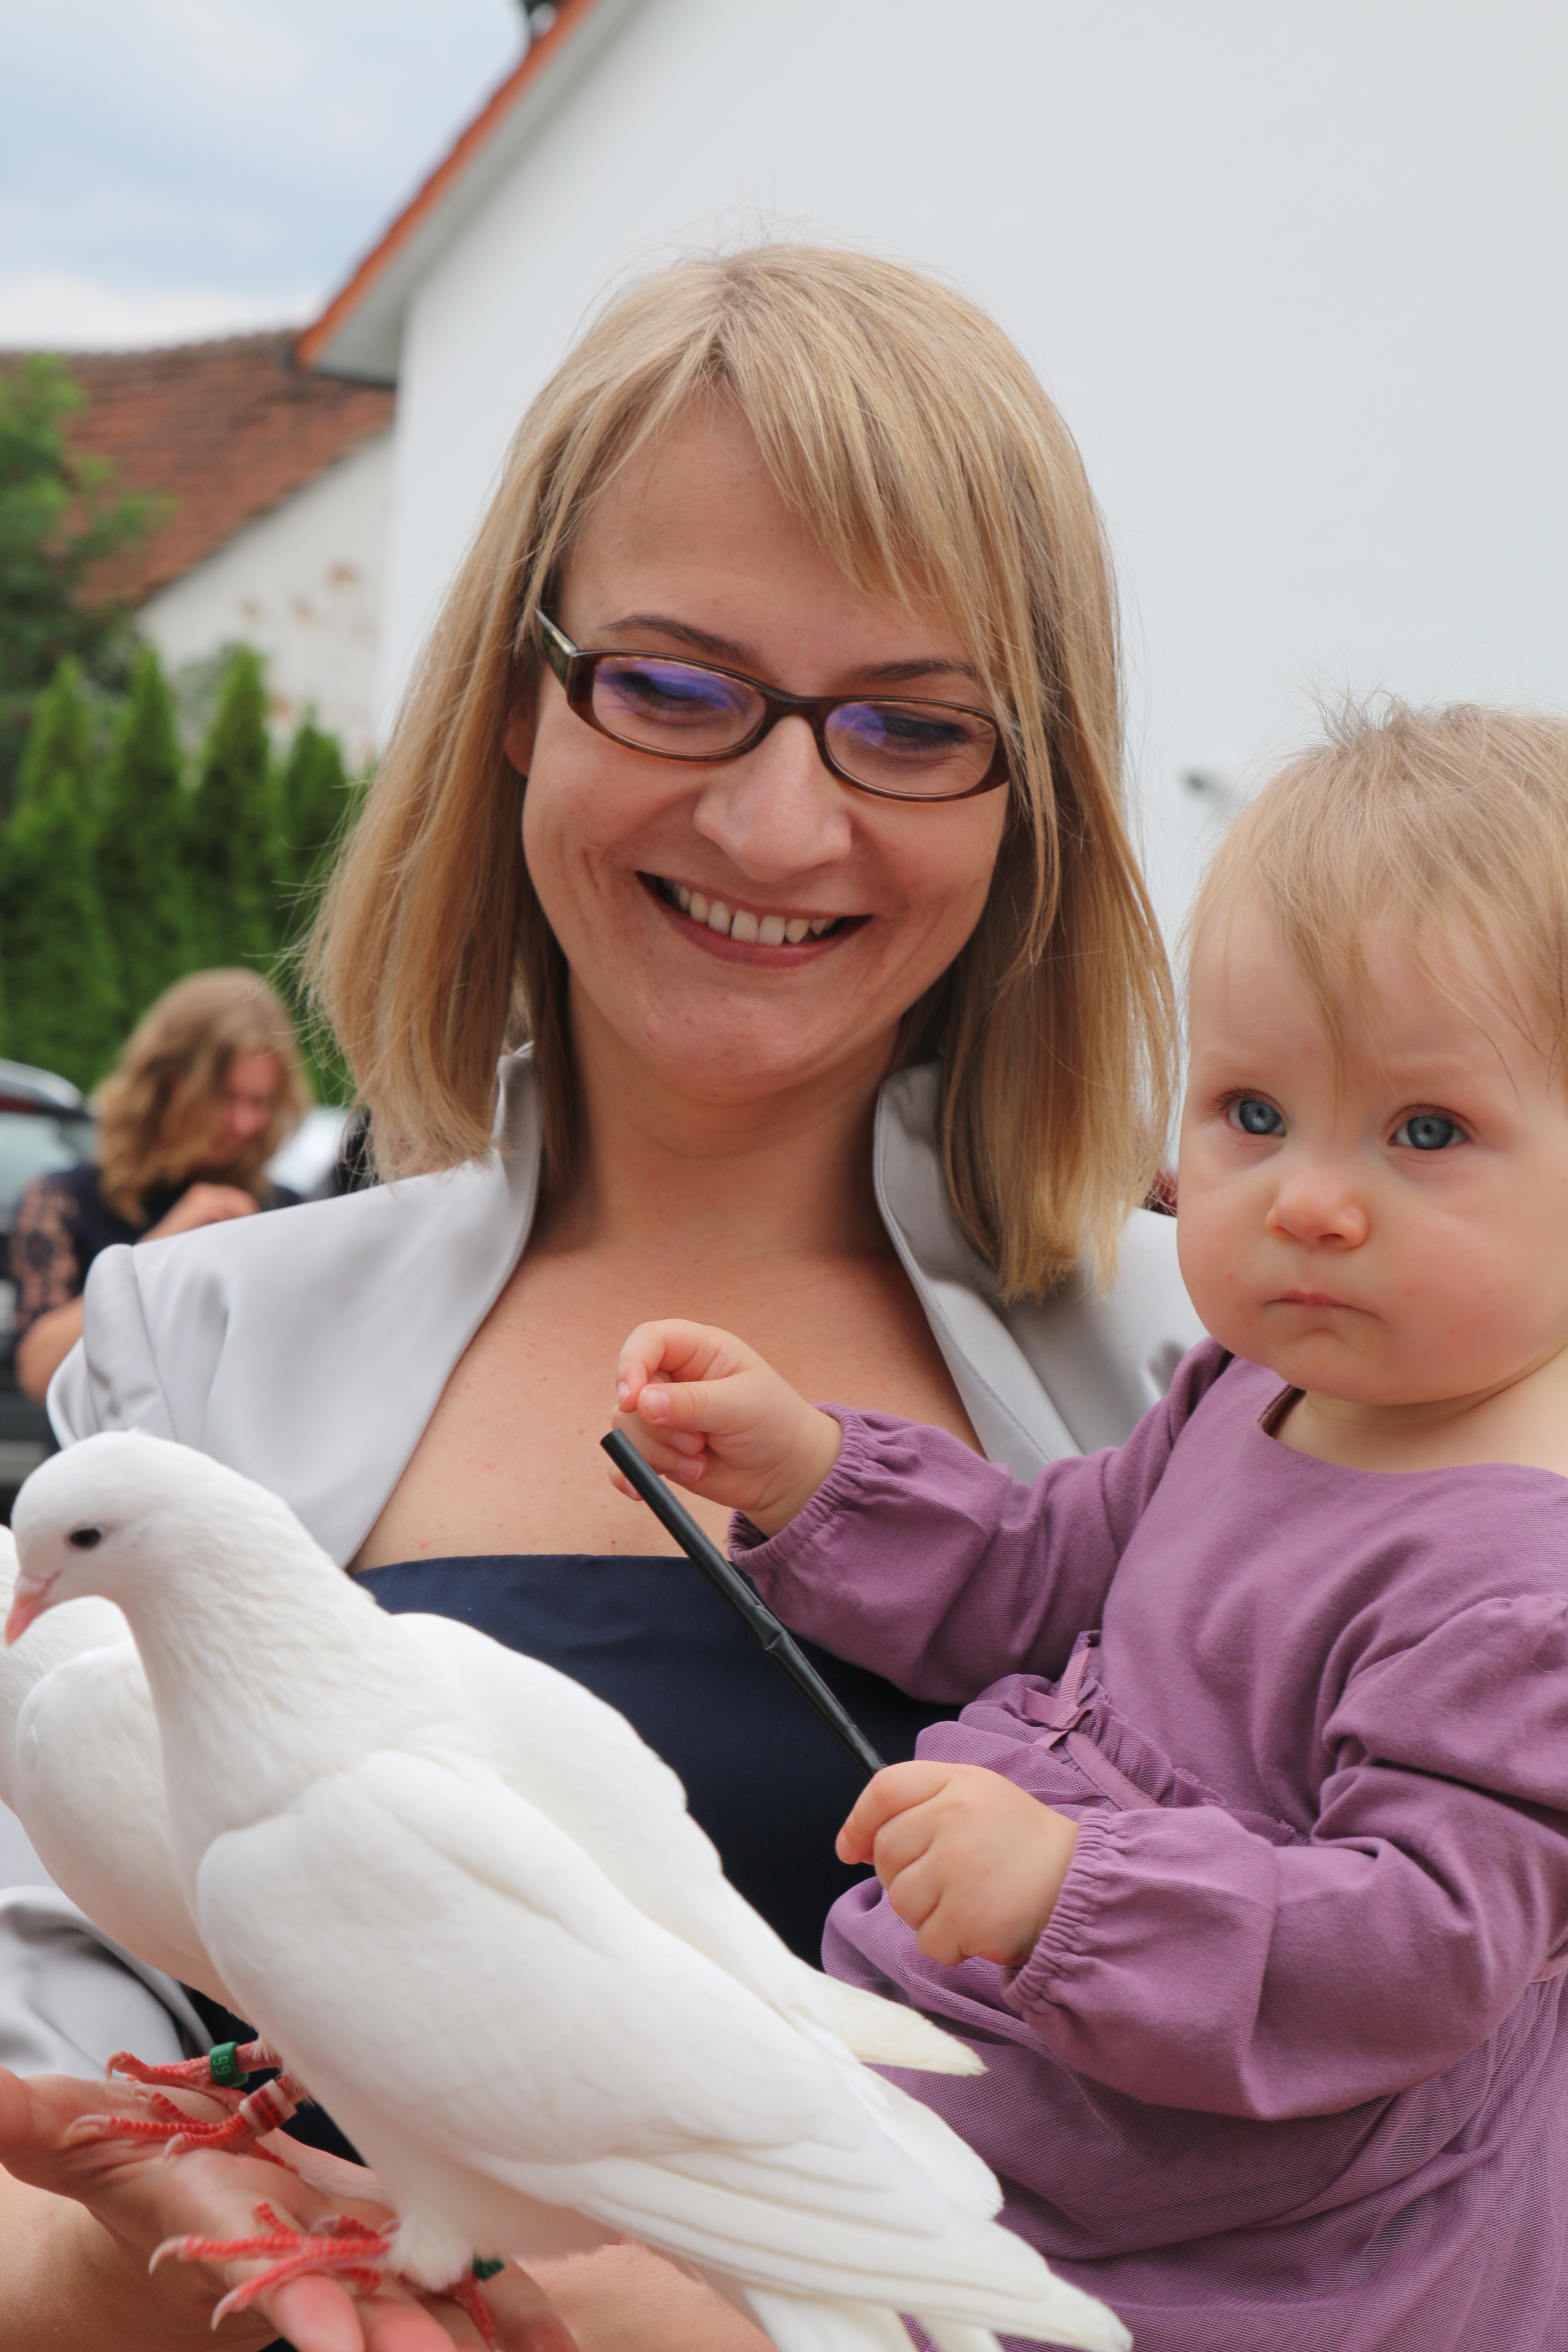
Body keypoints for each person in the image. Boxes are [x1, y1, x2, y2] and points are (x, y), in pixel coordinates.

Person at [0, 245, 1202, 2352]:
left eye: (913, 725)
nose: (778, 819)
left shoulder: (1233, 1382)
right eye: (672, 685)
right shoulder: (195, 1351)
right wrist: (145, 2245)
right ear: (514, 700)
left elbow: (1420, 2149)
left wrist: (691, 2301)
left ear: (1038, 798)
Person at [614, 701, 1568, 2352]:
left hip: (1229, 2218)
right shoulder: (1246, 1388)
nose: (1307, 1199)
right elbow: (1043, 1564)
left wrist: (1073, 1885)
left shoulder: (1518, 1587)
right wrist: (807, 1471)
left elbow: (1415, 1947)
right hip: (1040, 2075)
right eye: (1250, 1113)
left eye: (1424, 1131)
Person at [10, 969, 309, 1402]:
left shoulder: (283, 1211)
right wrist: (159, 1251)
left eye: (259, 1102)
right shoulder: (66, 1199)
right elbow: (39, 1375)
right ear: (168, 1081)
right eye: (224, 1097)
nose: (242, 1124)